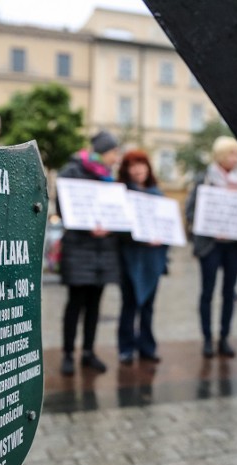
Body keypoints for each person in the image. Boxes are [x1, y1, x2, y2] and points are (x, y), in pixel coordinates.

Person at [56, 130, 122, 376]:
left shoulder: (109, 178)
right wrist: (87, 226)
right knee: (75, 303)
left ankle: (88, 352)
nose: (116, 157)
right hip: (79, 248)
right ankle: (67, 354)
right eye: (114, 152)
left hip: (103, 251)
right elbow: (64, 209)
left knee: (95, 304)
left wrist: (110, 228)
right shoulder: (71, 172)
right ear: (103, 152)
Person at [185, 136, 237, 358]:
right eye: (233, 153)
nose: (236, 158)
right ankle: (206, 339)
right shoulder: (204, 179)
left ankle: (224, 337)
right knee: (207, 292)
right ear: (222, 155)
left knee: (229, 293)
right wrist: (207, 225)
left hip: (234, 247)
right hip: (211, 246)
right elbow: (191, 211)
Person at [116, 150, 168, 365]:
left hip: (153, 259)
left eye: (141, 164)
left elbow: (167, 225)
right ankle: (126, 348)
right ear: (126, 170)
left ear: (148, 167)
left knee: (148, 306)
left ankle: (147, 347)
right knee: (129, 304)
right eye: (133, 165)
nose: (138, 169)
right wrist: (139, 239)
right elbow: (119, 228)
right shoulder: (121, 194)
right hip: (129, 258)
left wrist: (161, 238)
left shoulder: (158, 194)